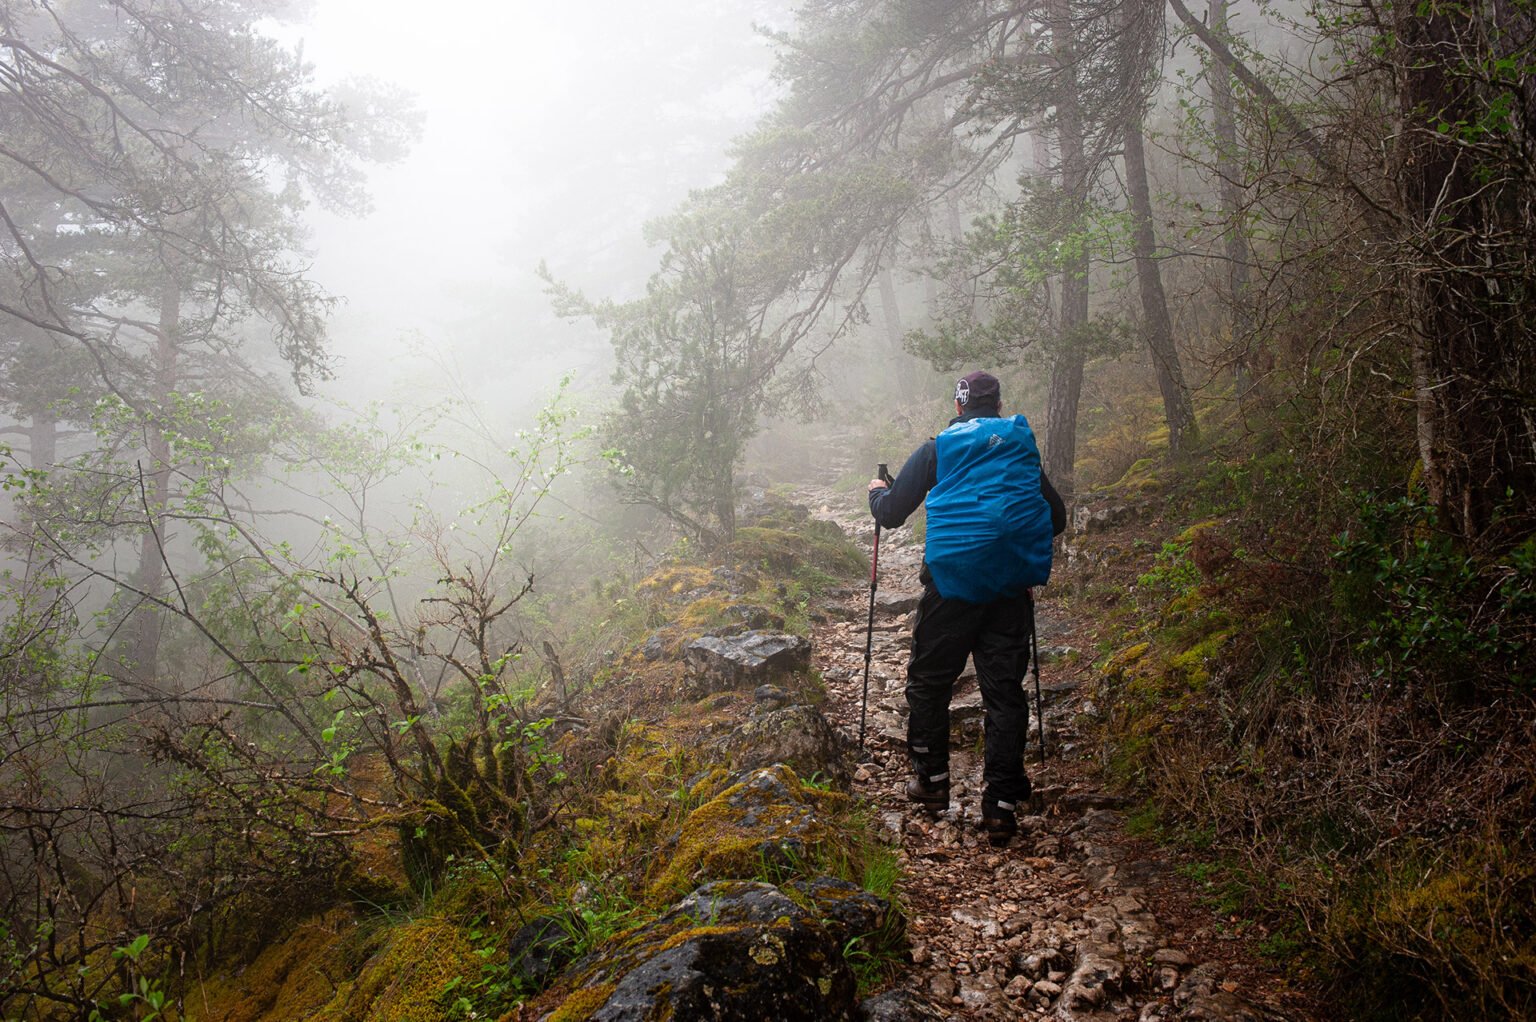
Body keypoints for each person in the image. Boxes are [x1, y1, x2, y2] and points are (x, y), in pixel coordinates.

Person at [868, 371, 1066, 846]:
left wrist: (876, 489)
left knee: (929, 683)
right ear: (998, 405)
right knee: (1004, 694)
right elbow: (1055, 518)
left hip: (951, 588)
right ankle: (1000, 805)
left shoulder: (939, 449)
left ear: (959, 406)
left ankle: (932, 783)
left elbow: (891, 513)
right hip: (1008, 591)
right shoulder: (1018, 446)